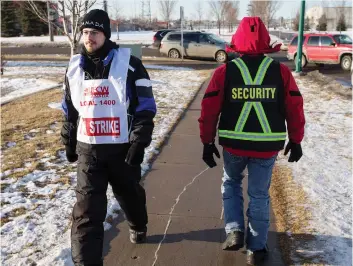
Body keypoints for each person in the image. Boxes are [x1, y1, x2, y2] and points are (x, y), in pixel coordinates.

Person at [198, 17, 305, 265]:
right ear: (266, 41)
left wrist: (207, 141)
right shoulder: (281, 71)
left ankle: (234, 230)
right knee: (259, 195)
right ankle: (256, 249)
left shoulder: (225, 72)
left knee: (231, 183)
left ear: (237, 41)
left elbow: (209, 109)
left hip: (234, 145)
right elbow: (294, 107)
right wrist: (296, 139)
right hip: (267, 148)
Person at [60, 9, 156, 266]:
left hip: (122, 149)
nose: (88, 37)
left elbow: (145, 106)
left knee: (129, 194)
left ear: (106, 34)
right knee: (87, 212)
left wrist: (139, 140)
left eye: (94, 32)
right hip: (88, 151)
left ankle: (138, 223)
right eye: (85, 32)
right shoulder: (73, 68)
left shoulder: (130, 63)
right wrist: (69, 140)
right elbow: (69, 108)